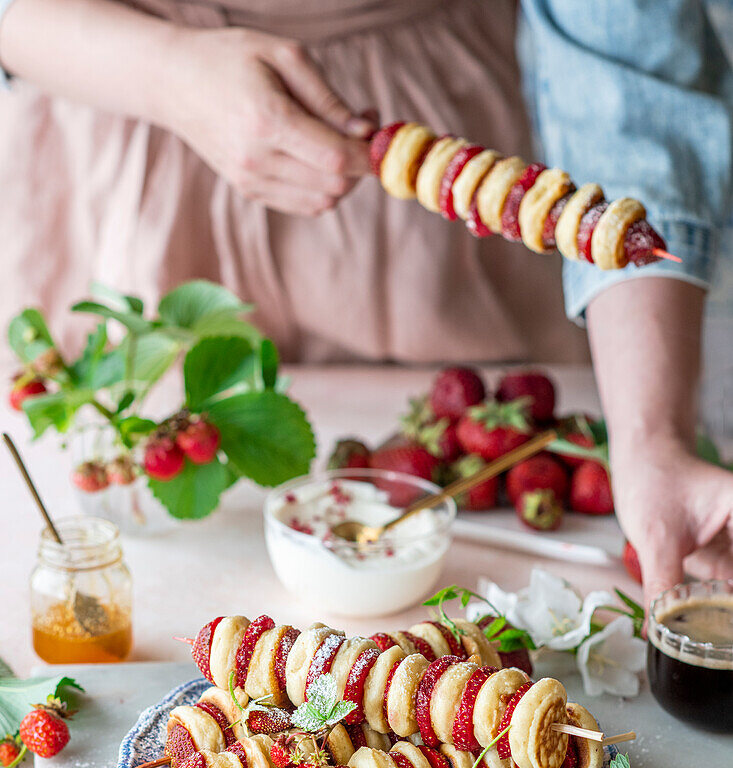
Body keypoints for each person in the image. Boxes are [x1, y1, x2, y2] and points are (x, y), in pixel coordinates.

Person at [0, 0, 731, 609]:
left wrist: (650, 440)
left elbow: (624, 36)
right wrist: (165, 72)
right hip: (118, 135)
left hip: (439, 144)